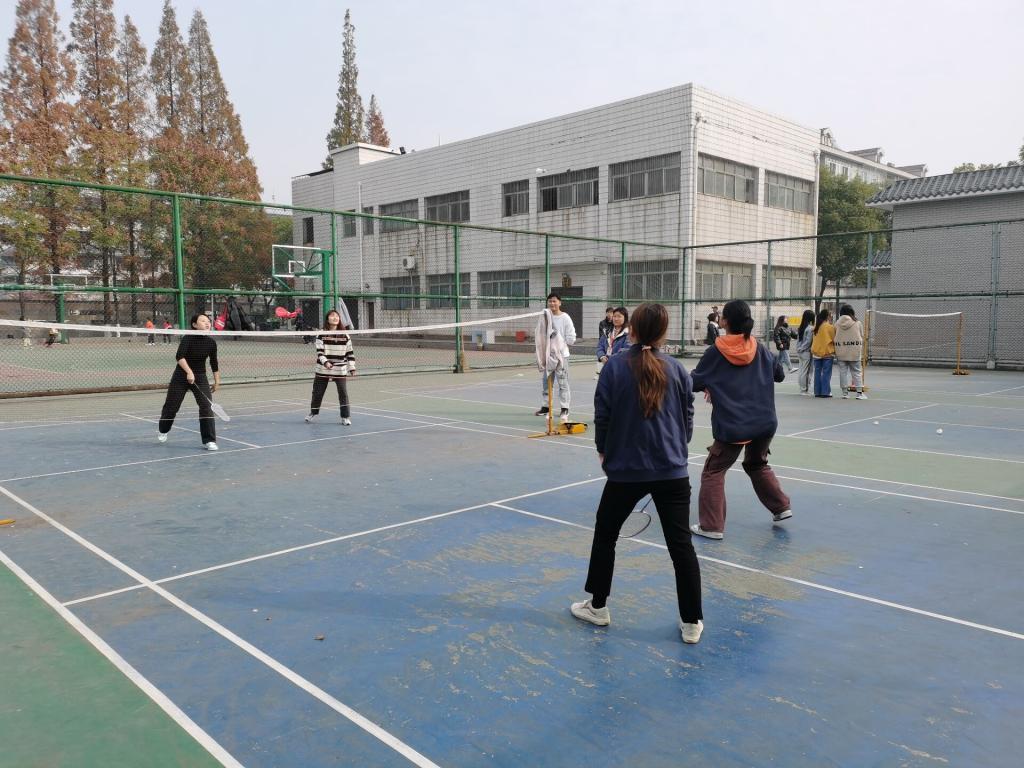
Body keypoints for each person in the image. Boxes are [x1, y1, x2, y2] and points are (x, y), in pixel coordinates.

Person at [571, 303, 703, 644]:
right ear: (663, 332)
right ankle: (692, 621)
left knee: (606, 535)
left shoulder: (615, 367)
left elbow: (603, 414)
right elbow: (687, 417)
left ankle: (598, 606)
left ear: (633, 328)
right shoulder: (677, 369)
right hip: (672, 470)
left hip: (626, 471)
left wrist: (603, 449)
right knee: (681, 546)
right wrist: (676, 446)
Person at [689, 299, 791, 540]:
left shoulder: (716, 352)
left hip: (734, 425)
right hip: (765, 423)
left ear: (724, 321)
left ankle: (711, 526)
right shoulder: (760, 348)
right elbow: (779, 375)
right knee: (756, 463)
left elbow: (693, 382)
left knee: (714, 470)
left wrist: (710, 383)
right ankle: (781, 506)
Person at [157, 312, 220, 450]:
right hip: (181, 375)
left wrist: (217, 381)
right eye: (203, 321)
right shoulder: (188, 338)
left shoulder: (211, 343)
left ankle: (209, 440)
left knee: (206, 407)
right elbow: (179, 356)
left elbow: (214, 363)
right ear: (194, 325)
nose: (207, 323)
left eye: (208, 321)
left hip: (200, 377)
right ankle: (163, 429)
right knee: (171, 407)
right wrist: (189, 372)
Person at [305, 309, 356, 425]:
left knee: (343, 393)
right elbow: (320, 352)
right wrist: (326, 362)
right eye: (332, 316)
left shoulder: (345, 335)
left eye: (337, 316)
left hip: (340, 369)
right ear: (327, 319)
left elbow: (350, 353)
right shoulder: (321, 334)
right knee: (317, 393)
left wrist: (352, 367)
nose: (335, 318)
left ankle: (345, 417)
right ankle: (313, 413)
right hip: (323, 369)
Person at [535, 291, 576, 423]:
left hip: (561, 356)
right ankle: (546, 407)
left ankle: (565, 408)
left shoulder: (565, 318)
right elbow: (540, 333)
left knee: (563, 383)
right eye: (550, 301)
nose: (552, 303)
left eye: (554, 301)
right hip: (548, 356)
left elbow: (571, 338)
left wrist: (560, 344)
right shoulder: (545, 316)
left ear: (559, 303)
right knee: (546, 382)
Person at [834, 304, 867, 400]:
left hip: (841, 351)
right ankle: (859, 393)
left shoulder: (837, 324)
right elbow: (862, 335)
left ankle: (845, 393)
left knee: (843, 372)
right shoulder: (857, 323)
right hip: (854, 351)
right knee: (857, 372)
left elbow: (834, 335)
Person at [595, 306, 630, 379]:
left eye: (619, 316)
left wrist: (610, 359)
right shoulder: (607, 332)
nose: (616, 319)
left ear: (625, 318)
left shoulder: (629, 333)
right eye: (614, 316)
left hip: (621, 369)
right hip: (607, 368)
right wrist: (602, 356)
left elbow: (626, 351)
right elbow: (600, 347)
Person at [811, 308, 836, 398]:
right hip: (827, 352)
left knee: (817, 372)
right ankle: (825, 392)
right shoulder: (830, 327)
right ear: (827, 316)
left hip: (816, 352)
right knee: (826, 373)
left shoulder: (816, 326)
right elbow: (834, 339)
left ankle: (817, 392)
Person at [795, 309, 816, 395]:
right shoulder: (810, 328)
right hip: (806, 352)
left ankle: (802, 388)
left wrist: (799, 349)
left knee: (801, 370)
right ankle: (805, 390)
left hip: (800, 352)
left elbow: (798, 340)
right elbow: (808, 342)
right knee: (807, 371)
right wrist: (802, 348)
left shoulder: (801, 327)